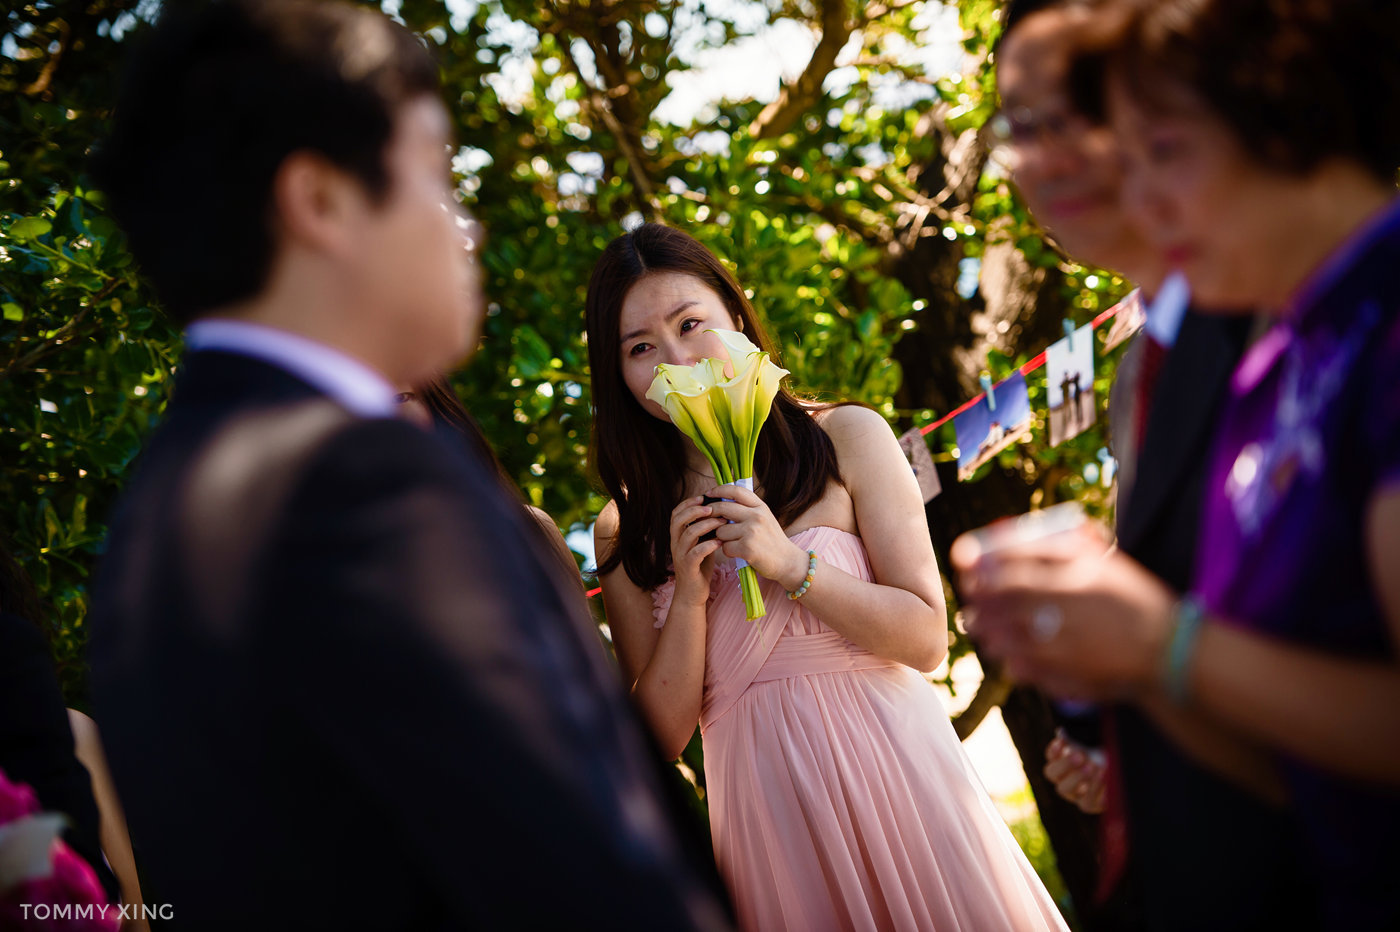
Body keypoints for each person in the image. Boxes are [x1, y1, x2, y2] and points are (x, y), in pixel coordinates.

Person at [86, 2, 732, 928]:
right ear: (322, 202)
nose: (464, 228)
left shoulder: (151, 518)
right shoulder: (369, 490)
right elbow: (573, 863)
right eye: (436, 175)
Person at [957, 0, 1400, 927]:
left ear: (1280, 106)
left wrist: (1164, 644)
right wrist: (1122, 664)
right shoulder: (1287, 359)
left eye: (1161, 147)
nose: (1145, 199)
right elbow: (1279, 750)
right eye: (1017, 132)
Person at [587, 221, 1068, 931]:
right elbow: (659, 743)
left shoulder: (846, 436)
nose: (676, 358)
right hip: (767, 817)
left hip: (899, 779)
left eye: (692, 323)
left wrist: (788, 565)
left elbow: (927, 637)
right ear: (616, 373)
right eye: (640, 347)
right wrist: (689, 595)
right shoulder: (626, 528)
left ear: (736, 316)